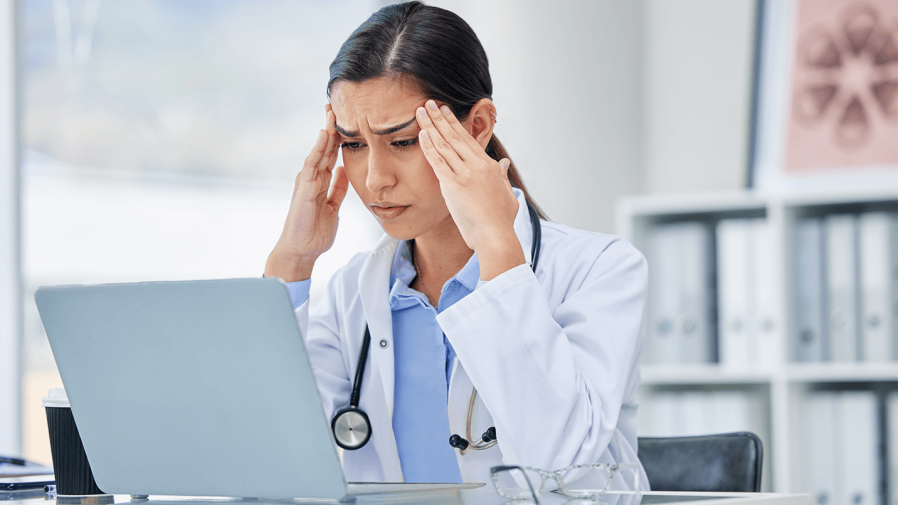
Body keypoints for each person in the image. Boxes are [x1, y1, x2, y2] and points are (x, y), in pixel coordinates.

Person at [264, 1, 650, 490]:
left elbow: (561, 460)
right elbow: (268, 454)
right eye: (353, 144)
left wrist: (496, 244)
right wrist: (292, 261)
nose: (375, 179)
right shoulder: (353, 294)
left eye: (402, 141)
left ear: (477, 127)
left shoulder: (599, 270)